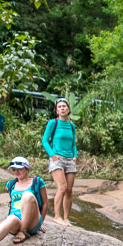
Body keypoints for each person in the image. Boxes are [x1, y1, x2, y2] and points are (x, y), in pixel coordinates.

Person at [0, 157, 48, 246]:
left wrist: (41, 221)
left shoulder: (37, 182)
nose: (16, 171)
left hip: (32, 221)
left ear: (27, 169)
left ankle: (23, 231)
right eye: (14, 169)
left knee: (27, 196)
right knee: (10, 219)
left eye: (19, 169)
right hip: (16, 220)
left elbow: (45, 204)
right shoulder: (10, 185)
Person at [42, 97, 77, 226]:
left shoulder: (72, 126)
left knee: (69, 190)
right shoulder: (53, 123)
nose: (62, 108)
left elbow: (73, 143)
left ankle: (66, 218)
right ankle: (57, 216)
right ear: (57, 110)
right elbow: (45, 140)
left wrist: (75, 155)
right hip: (57, 159)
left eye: (64, 106)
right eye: (60, 107)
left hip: (70, 160)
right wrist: (52, 155)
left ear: (68, 109)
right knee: (62, 188)